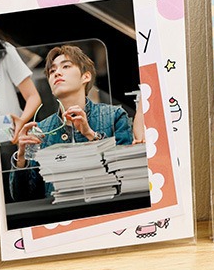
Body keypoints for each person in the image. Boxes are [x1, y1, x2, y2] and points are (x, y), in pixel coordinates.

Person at [9, 44, 133, 201]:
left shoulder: (114, 116)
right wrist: (21, 159)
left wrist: (91, 135)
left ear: (85, 77)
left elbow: (126, 175)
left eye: (66, 66)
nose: (57, 73)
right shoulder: (40, 130)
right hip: (59, 212)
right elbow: (23, 197)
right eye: (52, 71)